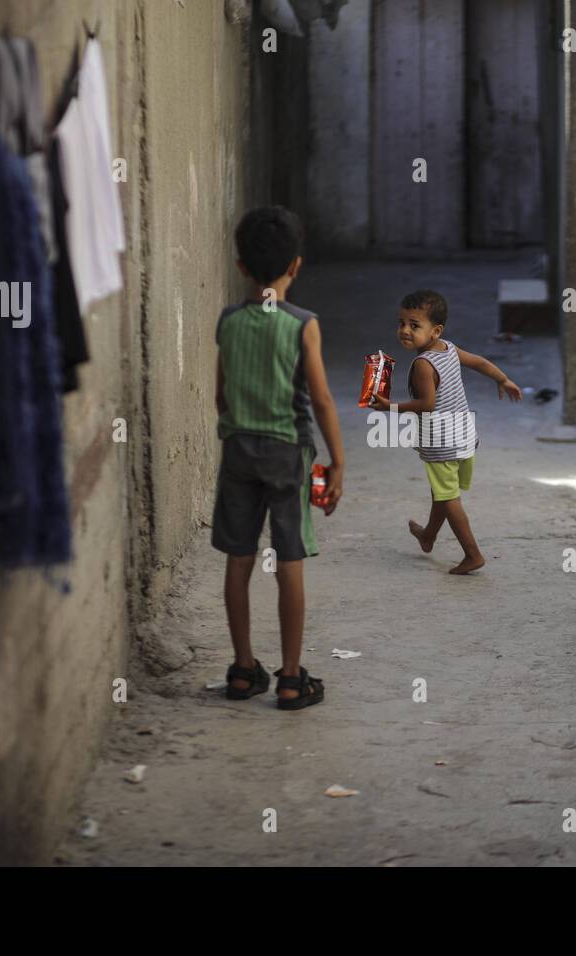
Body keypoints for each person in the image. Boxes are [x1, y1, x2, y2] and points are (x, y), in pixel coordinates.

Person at [212, 206, 344, 710]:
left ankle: (243, 670)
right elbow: (322, 399)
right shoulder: (302, 324)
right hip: (287, 453)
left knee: (238, 557)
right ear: (296, 265)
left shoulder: (228, 321)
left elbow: (221, 396)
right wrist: (338, 462)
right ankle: (291, 678)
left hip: (239, 450)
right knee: (289, 561)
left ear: (242, 267)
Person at [371, 290, 521, 574]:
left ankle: (473, 554)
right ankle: (428, 535)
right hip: (463, 432)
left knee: (449, 496)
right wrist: (503, 379)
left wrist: (389, 407)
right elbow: (480, 362)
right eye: (401, 322)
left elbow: (426, 405)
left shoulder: (422, 365)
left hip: (441, 440)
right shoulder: (448, 348)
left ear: (435, 330)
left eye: (414, 325)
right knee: (442, 490)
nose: (404, 330)